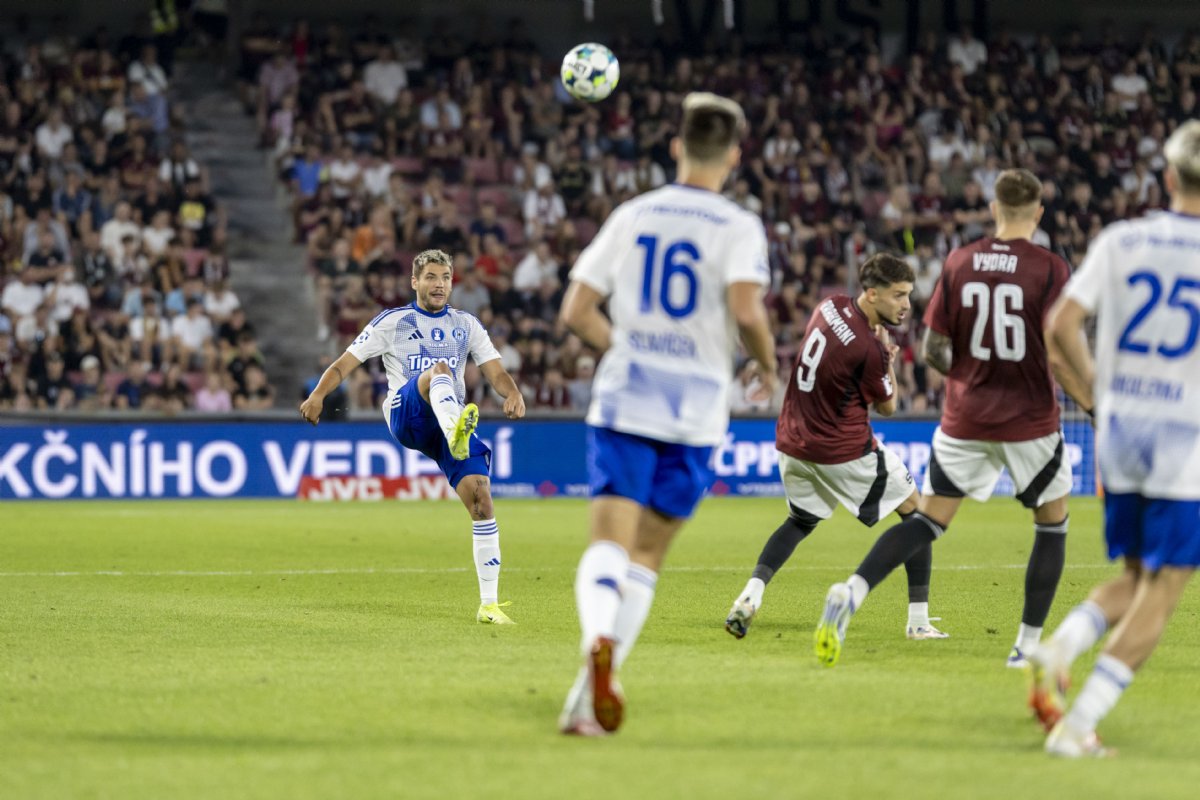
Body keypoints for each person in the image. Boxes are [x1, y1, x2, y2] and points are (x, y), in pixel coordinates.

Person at [557, 92, 778, 736]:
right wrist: (767, 364)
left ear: (677, 146)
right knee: (646, 555)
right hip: (696, 409)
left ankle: (595, 643)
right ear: (733, 157)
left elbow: (575, 311)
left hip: (627, 398)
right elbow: (746, 310)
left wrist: (624, 349)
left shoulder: (633, 214)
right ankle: (588, 696)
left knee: (607, 544)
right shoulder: (738, 226)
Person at [814, 169, 1074, 669]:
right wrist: (1090, 399)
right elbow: (1062, 349)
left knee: (928, 520)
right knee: (1051, 524)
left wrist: (972, 379)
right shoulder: (1050, 268)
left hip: (965, 418)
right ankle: (1026, 648)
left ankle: (852, 590)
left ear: (994, 210)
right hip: (1030, 419)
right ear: (1038, 214)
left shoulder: (959, 261)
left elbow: (933, 349)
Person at [1029, 121, 1200, 757]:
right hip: (1184, 436)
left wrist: (1103, 394)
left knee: (1136, 577)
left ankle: (1061, 646)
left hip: (1122, 431)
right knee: (1168, 586)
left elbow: (1061, 325)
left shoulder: (1121, 239)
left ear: (1168, 177)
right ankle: (1076, 728)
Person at [724, 254, 945, 643]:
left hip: (793, 442)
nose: (906, 305)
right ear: (872, 294)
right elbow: (888, 407)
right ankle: (918, 622)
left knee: (800, 521)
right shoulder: (869, 348)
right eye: (898, 295)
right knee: (918, 515)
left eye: (908, 295)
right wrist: (887, 360)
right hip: (842, 451)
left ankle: (749, 596)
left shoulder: (829, 306)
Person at [300, 249, 526, 624]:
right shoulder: (393, 322)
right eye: (431, 277)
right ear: (414, 282)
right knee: (437, 370)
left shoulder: (466, 324)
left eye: (446, 278)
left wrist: (513, 393)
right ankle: (455, 429)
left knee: (481, 499)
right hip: (408, 415)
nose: (439, 285)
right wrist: (318, 395)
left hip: (444, 427)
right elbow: (344, 363)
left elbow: (496, 372)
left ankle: (488, 605)